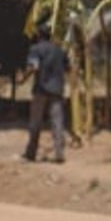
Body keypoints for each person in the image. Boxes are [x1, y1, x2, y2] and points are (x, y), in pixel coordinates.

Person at [18, 21, 69, 163]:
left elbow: (33, 67)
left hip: (41, 89)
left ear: (39, 35)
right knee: (57, 123)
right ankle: (59, 154)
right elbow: (68, 67)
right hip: (57, 90)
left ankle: (31, 153)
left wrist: (23, 78)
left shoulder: (36, 49)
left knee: (35, 122)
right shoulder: (59, 50)